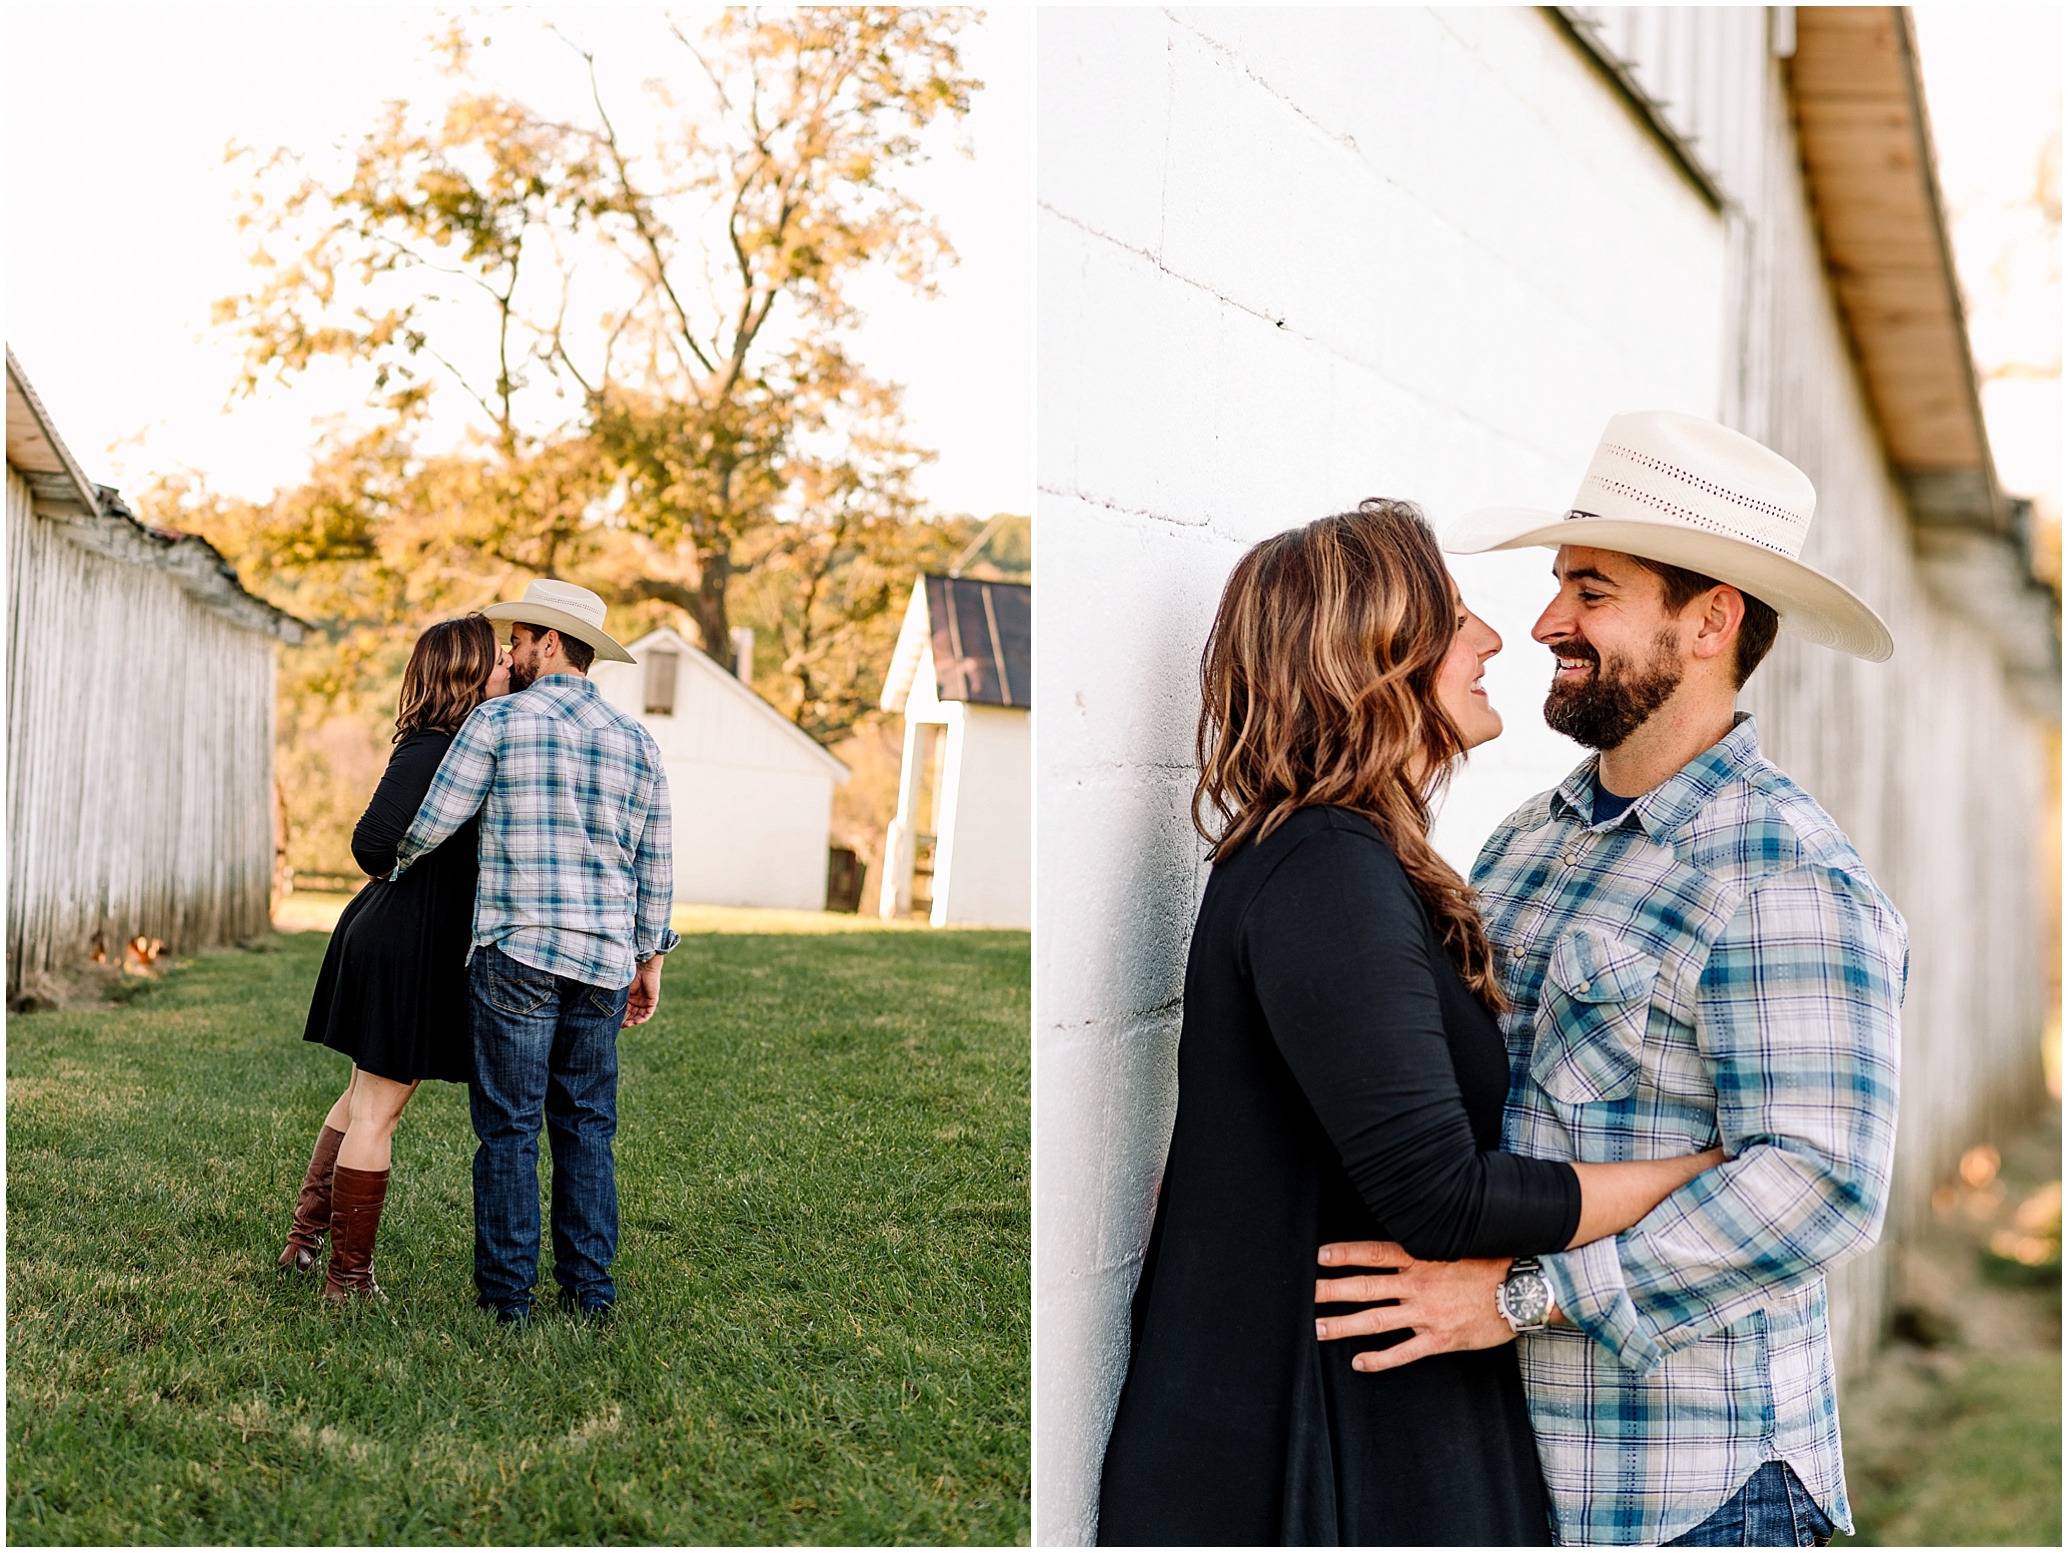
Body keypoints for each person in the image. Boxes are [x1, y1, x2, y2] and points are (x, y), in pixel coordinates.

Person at [1314, 413, 1907, 1547]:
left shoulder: (1785, 875)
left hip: (1689, 1496)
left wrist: (1520, 1295)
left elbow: (1819, 1182)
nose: (1545, 623)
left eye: (1591, 590)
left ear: (1708, 621)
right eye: (1557, 587)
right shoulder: (1523, 842)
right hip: (1502, 1474)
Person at [1096, 501, 1730, 1547]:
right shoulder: (1324, 871)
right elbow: (1443, 1196)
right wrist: (1700, 1168)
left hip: (1362, 1416)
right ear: (1373, 656)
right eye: (1454, 614)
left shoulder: (1336, 860)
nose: (1494, 637)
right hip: (1320, 1451)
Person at [390, 578, 678, 1325]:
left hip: (517, 951)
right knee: (586, 1124)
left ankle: (507, 1301)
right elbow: (656, 862)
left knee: (510, 1126)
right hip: (604, 961)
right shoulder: (639, 742)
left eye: (517, 640)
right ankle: (591, 1294)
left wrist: (390, 869)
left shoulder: (499, 724)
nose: (509, 654)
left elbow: (432, 823)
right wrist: (649, 959)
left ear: (551, 644)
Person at [279, 615, 513, 1302]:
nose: (508, 664)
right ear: (466, 674)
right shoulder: (433, 748)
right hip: (403, 941)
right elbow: (372, 844)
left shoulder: (451, 744)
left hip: (406, 937)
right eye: (496, 658)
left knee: (366, 1098)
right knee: (379, 1108)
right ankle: (347, 1280)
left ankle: (304, 1244)